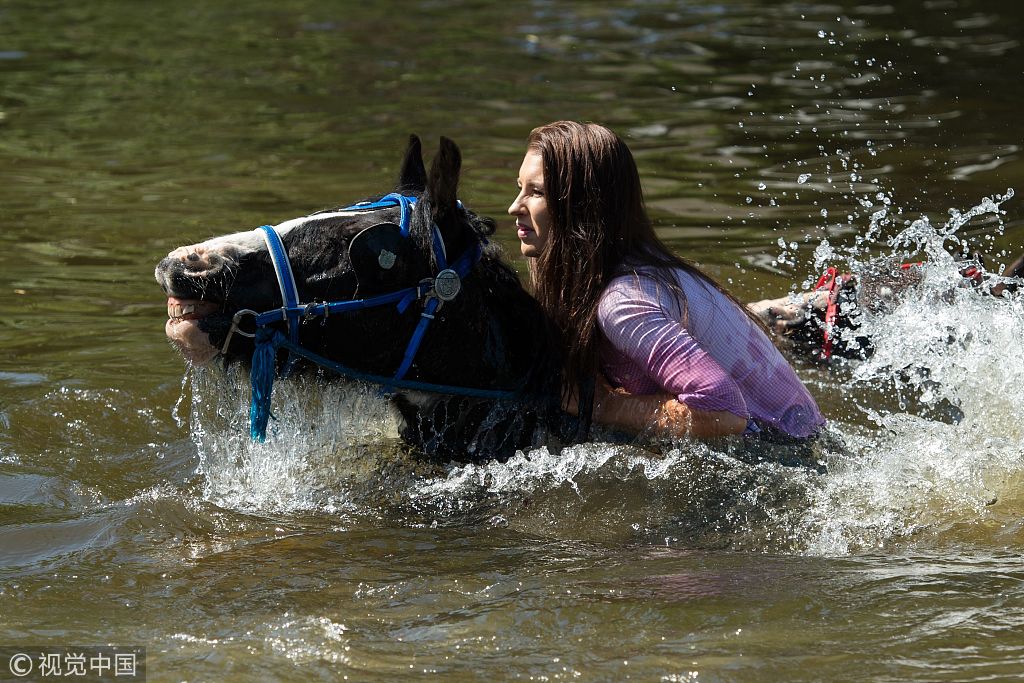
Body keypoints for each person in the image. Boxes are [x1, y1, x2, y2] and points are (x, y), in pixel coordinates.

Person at [507, 120, 826, 442]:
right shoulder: (637, 265)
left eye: (537, 192)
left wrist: (604, 405)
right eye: (519, 187)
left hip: (788, 455)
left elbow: (725, 414)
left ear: (582, 206)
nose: (513, 207)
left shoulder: (624, 303)